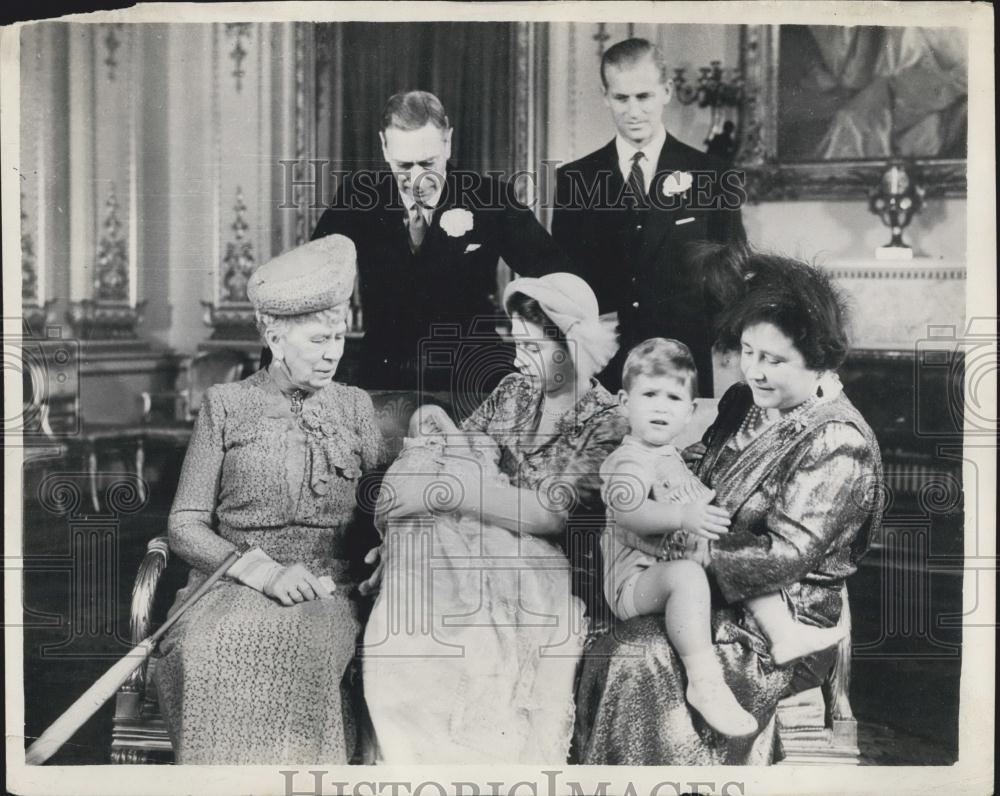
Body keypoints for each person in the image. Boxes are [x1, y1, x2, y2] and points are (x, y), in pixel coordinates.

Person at [574, 244, 884, 765]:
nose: (755, 371)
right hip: (705, 583)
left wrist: (695, 548)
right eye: (748, 352)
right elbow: (703, 467)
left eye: (775, 360)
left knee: (641, 654)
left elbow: (786, 556)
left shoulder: (837, 441)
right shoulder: (744, 400)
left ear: (818, 359)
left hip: (784, 617)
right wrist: (652, 475)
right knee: (616, 641)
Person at [362, 273, 626, 763]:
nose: (518, 358)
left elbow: (552, 514)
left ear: (569, 346)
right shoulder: (512, 392)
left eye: (532, 346)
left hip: (544, 561)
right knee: (411, 602)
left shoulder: (607, 420)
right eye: (515, 343)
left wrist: (443, 495)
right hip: (472, 540)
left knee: (471, 639)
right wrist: (412, 520)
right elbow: (458, 451)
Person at [154, 235, 383, 764]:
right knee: (212, 652)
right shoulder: (225, 405)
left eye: (340, 338)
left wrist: (391, 544)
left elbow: (383, 507)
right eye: (318, 340)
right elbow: (185, 523)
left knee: (306, 654)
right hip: (230, 580)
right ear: (275, 337)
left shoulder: (355, 408)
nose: (333, 354)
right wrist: (258, 571)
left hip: (326, 583)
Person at [599, 337, 849, 739]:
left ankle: (782, 633)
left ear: (689, 412)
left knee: (731, 553)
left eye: (673, 397)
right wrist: (683, 514)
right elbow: (628, 511)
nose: (661, 406)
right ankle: (705, 682)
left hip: (664, 570)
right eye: (649, 394)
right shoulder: (628, 460)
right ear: (625, 403)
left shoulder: (672, 456)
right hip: (633, 583)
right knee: (689, 576)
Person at [307, 89, 571, 401]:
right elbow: (310, 284)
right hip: (385, 383)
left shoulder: (491, 199)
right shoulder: (356, 200)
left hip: (474, 385)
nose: (417, 178)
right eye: (404, 166)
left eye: (427, 162)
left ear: (447, 142)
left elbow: (557, 275)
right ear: (383, 146)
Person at [552, 37, 746, 395]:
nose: (633, 111)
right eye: (621, 98)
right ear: (605, 96)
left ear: (667, 91)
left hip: (681, 364)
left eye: (644, 97)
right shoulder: (575, 179)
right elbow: (565, 282)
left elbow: (730, 273)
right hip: (604, 369)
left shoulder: (713, 174)